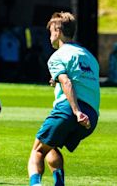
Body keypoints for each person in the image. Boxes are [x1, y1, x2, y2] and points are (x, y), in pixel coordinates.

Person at [27, 12, 100, 186]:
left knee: (37, 151)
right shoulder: (89, 57)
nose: (50, 36)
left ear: (58, 31)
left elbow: (67, 81)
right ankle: (59, 184)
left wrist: (76, 111)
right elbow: (81, 80)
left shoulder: (57, 56)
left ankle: (35, 183)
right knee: (51, 145)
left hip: (70, 111)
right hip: (92, 116)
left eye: (51, 31)